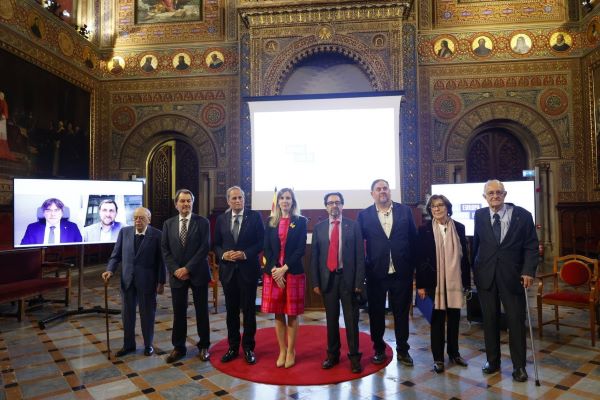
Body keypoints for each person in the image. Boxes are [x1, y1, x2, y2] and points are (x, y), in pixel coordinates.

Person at [472, 179, 539, 382]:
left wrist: (528, 271)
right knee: (490, 321)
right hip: (486, 277)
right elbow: (477, 245)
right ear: (485, 197)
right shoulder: (480, 215)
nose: (495, 196)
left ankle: (519, 367)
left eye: (498, 192)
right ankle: (492, 361)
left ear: (505, 194)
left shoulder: (523, 216)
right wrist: (475, 271)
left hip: (513, 277)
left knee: (515, 322)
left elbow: (531, 246)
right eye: (490, 193)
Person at [357, 179, 417, 366]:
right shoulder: (364, 215)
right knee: (376, 314)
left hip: (402, 273)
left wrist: (414, 270)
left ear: (389, 191)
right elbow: (359, 246)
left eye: (385, 188)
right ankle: (379, 349)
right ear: (372, 193)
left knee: (401, 313)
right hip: (376, 274)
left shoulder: (405, 211)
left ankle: (403, 350)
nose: (382, 191)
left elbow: (414, 241)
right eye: (378, 189)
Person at [416, 195, 471, 373]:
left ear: (448, 207)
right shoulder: (424, 230)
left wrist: (467, 284)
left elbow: (465, 259)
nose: (437, 209)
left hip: (455, 282)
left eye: (440, 205)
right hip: (434, 283)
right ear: (430, 210)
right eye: (433, 206)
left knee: (455, 319)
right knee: (437, 320)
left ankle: (454, 353)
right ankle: (438, 358)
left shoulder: (460, 228)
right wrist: (421, 286)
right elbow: (420, 259)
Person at [310, 192, 365, 374]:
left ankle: (355, 357)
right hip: (328, 280)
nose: (334, 205)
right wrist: (316, 281)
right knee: (331, 321)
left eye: (338, 202)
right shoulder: (318, 228)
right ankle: (332, 356)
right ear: (325, 206)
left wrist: (359, 282)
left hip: (348, 280)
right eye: (330, 203)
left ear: (342, 206)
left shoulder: (353, 225)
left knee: (351, 321)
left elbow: (359, 256)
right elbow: (315, 258)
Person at [102, 207, 165, 357]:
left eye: (142, 218)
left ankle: (148, 345)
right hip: (127, 281)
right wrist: (110, 270)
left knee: (147, 315)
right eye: (135, 218)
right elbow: (115, 255)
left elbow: (161, 261)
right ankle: (128, 345)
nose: (138, 220)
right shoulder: (125, 232)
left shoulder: (157, 235)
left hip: (147, 282)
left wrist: (161, 282)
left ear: (149, 220)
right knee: (127, 316)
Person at [214, 186, 265, 365]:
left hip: (248, 271)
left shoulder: (255, 217)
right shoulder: (221, 219)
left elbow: (261, 241)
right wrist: (223, 254)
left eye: (240, 198)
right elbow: (216, 244)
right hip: (228, 273)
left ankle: (249, 347)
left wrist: (245, 254)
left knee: (249, 312)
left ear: (244, 199)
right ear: (228, 201)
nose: (237, 201)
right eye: (234, 198)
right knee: (231, 312)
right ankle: (233, 347)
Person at [162, 189, 212, 363]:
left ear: (193, 202)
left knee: (201, 312)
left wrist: (187, 268)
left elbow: (204, 248)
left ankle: (204, 345)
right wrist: (176, 269)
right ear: (176, 204)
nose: (186, 204)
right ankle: (178, 347)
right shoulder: (168, 224)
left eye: (188, 201)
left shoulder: (203, 222)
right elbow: (165, 249)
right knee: (179, 312)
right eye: (182, 201)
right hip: (177, 276)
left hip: (198, 272)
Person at [261, 188, 307, 368]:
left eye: (288, 198)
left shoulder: (300, 221)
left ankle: (291, 351)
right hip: (273, 274)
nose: (285, 201)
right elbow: (267, 248)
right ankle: (281, 349)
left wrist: (284, 269)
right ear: (278, 201)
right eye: (282, 198)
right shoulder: (271, 221)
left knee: (292, 315)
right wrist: (274, 270)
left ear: (293, 201)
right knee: (278, 313)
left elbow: (300, 249)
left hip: (293, 272)